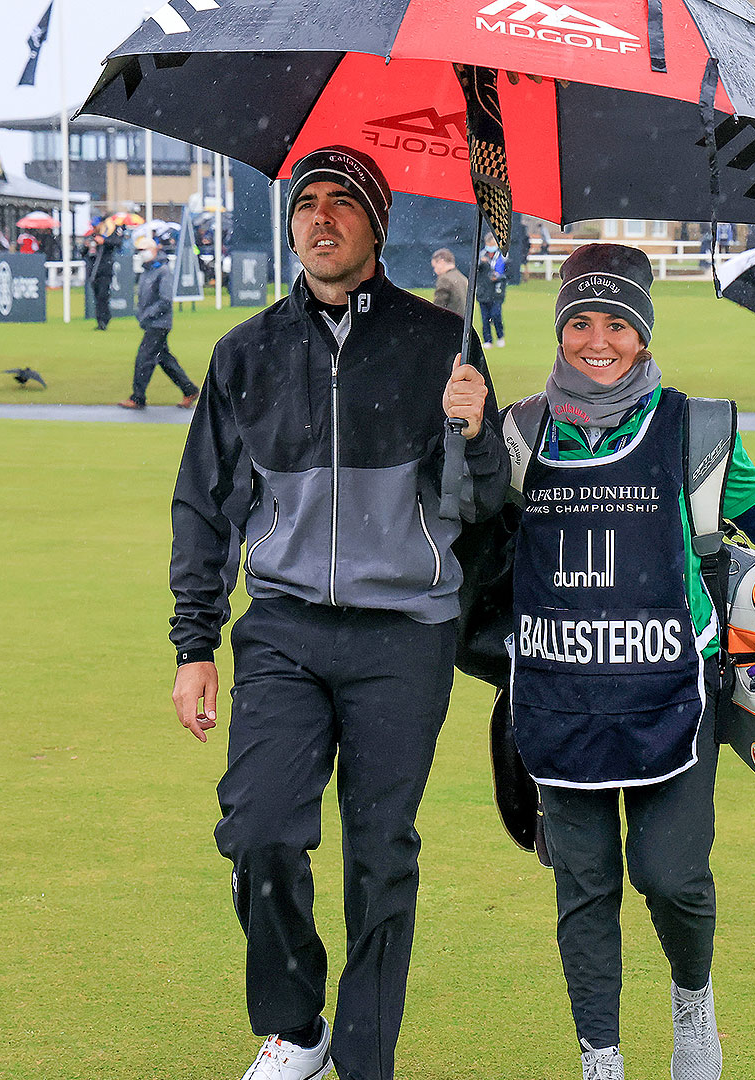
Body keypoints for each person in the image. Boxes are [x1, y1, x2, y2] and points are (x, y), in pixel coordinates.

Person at [500, 244, 755, 1080]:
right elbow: (469, 535)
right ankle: (600, 1060)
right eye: (582, 322)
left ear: (644, 338)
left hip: (674, 693)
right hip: (558, 698)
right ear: (562, 331)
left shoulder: (697, 429)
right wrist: (459, 431)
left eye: (618, 324)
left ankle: (693, 1006)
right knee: (584, 887)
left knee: (669, 873)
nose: (598, 340)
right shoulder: (516, 433)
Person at [167, 145, 506, 1080]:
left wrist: (474, 435)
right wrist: (196, 644)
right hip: (283, 627)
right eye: (307, 204)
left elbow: (486, 504)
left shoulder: (443, 345)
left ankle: (362, 1058)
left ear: (377, 224)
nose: (321, 219)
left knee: (378, 857)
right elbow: (204, 504)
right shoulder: (245, 354)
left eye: (343, 204)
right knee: (262, 826)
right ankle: (298, 1024)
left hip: (406, 632)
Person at [117, 234, 198, 410]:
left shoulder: (163, 271)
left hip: (159, 324)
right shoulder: (148, 271)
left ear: (154, 250)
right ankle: (189, 389)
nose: (141, 254)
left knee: (144, 359)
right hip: (152, 323)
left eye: (144, 250)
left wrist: (147, 315)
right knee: (164, 359)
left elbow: (165, 300)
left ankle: (138, 397)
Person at [88, 226, 118, 330]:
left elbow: (116, 243)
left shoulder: (109, 236)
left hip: (105, 273)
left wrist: (104, 241)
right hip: (94, 273)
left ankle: (104, 319)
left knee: (103, 297)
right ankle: (99, 320)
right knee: (97, 298)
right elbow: (85, 254)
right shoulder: (91, 238)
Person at [476, 247, 507, 349]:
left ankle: (500, 336)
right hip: (483, 293)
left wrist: (498, 277)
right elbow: (475, 270)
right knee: (485, 318)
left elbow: (506, 273)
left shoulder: (501, 256)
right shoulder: (481, 255)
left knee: (496, 315)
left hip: (496, 293)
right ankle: (488, 340)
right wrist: (482, 262)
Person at [431, 246, 468, 316]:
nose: (435, 270)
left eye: (435, 266)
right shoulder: (462, 278)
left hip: (449, 321)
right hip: (463, 321)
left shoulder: (444, 279)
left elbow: (439, 306)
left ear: (441, 262)